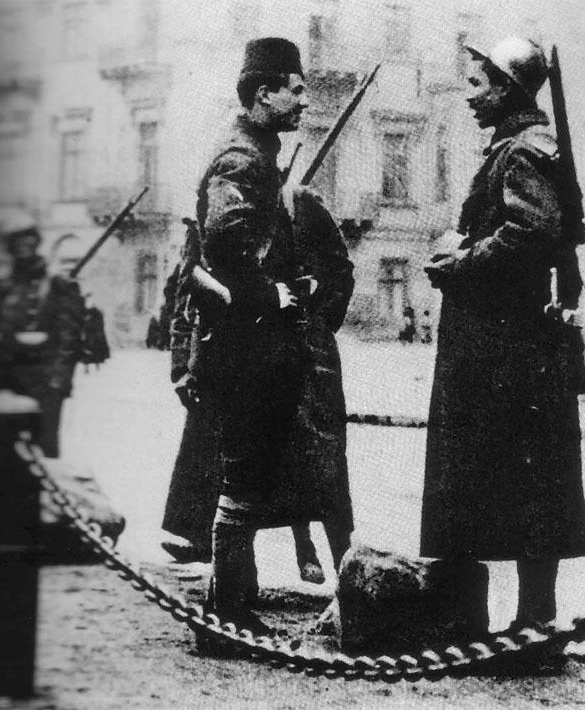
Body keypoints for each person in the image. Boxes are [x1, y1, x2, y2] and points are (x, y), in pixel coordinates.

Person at [419, 37, 585, 640]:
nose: (469, 95)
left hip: (505, 345)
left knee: (521, 480)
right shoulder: (516, 144)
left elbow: (529, 233)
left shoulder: (521, 150)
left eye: (477, 84)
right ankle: (500, 623)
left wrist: (455, 264)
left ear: (507, 89)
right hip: (503, 343)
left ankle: (530, 625)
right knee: (513, 479)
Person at [191, 37, 354, 630]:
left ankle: (227, 609)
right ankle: (229, 616)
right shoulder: (242, 158)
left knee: (250, 476)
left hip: (259, 344)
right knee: (246, 476)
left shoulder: (258, 150)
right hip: (249, 345)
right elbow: (222, 245)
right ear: (265, 93)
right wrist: (273, 293)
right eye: (296, 88)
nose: (304, 99)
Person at [160, 220, 330, 584]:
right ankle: (219, 558)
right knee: (217, 456)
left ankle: (305, 545)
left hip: (274, 352)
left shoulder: (279, 221)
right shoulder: (204, 231)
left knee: (287, 451)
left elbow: (308, 282)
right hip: (217, 354)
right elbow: (183, 298)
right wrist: (179, 367)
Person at [0, 229, 86, 458]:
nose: (22, 248)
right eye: (17, 243)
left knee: (44, 449)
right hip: (6, 377)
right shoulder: (4, 285)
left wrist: (59, 380)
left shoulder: (57, 284)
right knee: (4, 451)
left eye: (28, 242)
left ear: (36, 244)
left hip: (44, 377)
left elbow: (69, 339)